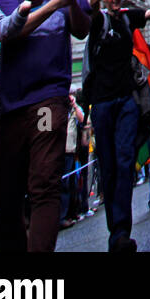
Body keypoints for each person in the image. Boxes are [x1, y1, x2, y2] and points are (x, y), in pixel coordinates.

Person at [0, 0, 91, 252]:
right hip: (9, 106)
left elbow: (81, 30)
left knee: (44, 181)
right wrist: (54, 4)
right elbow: (4, 31)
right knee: (5, 193)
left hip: (47, 101)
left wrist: (72, 2)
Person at [85, 0, 150, 252]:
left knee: (124, 162)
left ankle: (121, 233)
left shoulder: (127, 18)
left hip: (125, 101)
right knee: (109, 166)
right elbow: (90, 2)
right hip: (100, 102)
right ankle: (115, 230)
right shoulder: (98, 20)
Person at [59, 92, 86, 228]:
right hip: (59, 151)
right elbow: (44, 126)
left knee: (72, 183)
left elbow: (83, 120)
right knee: (63, 185)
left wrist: (74, 105)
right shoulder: (54, 108)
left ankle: (71, 213)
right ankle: (62, 217)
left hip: (71, 150)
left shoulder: (73, 110)